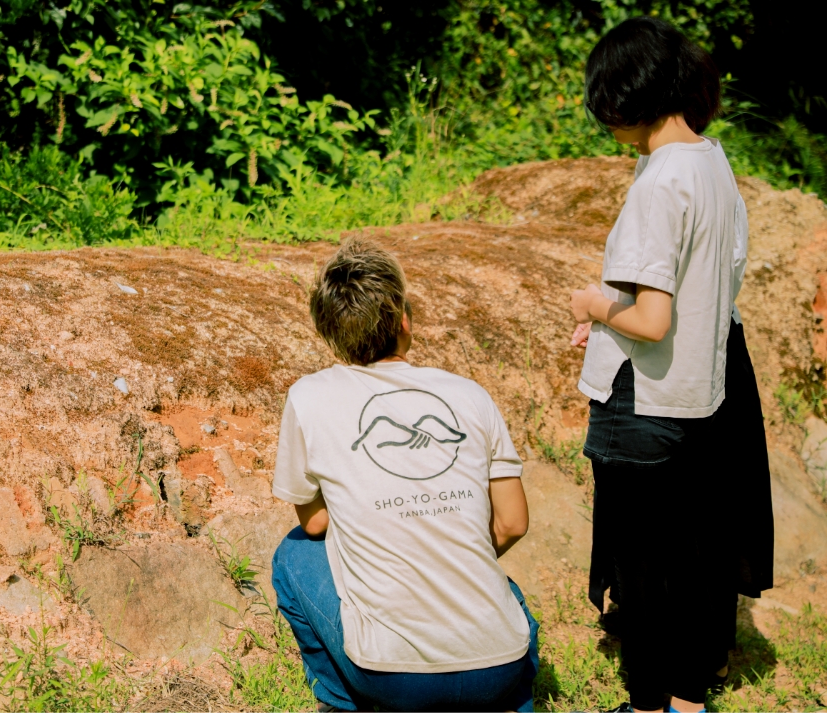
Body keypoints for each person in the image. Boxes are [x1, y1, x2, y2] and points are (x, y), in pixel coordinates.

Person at [569, 16, 773, 713]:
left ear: (628, 97)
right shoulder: (710, 161)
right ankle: (689, 696)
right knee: (690, 552)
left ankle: (651, 703)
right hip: (695, 390)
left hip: (643, 394)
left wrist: (595, 304)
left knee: (645, 561)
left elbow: (651, 319)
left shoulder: (659, 184)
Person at [269, 239, 539, 712]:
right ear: (404, 320)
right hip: (500, 666)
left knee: (292, 555)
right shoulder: (469, 394)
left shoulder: (309, 396)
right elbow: (513, 522)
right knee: (497, 589)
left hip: (394, 679)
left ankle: (341, 702)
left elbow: (313, 524)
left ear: (328, 332)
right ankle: (512, 701)